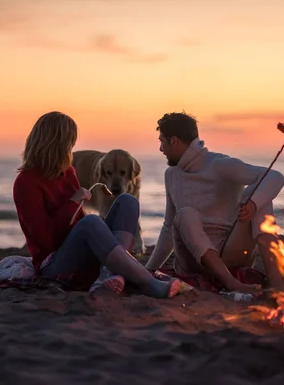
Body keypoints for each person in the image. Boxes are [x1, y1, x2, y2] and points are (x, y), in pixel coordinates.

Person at [13, 111, 180, 298]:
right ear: (54, 146)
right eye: (69, 145)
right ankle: (150, 284)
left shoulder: (67, 173)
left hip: (78, 254)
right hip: (53, 264)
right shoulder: (26, 182)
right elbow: (44, 240)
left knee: (127, 201)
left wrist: (94, 233)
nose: (71, 150)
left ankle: (115, 273)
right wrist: (73, 203)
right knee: (91, 222)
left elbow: (77, 224)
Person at [145, 112, 284, 293]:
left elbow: (276, 177)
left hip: (230, 252)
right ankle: (231, 283)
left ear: (174, 141)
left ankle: (276, 281)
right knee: (185, 214)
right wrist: (148, 270)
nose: (160, 148)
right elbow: (168, 227)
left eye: (162, 141)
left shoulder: (220, 164)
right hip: (193, 261)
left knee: (259, 195)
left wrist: (253, 204)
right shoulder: (171, 175)